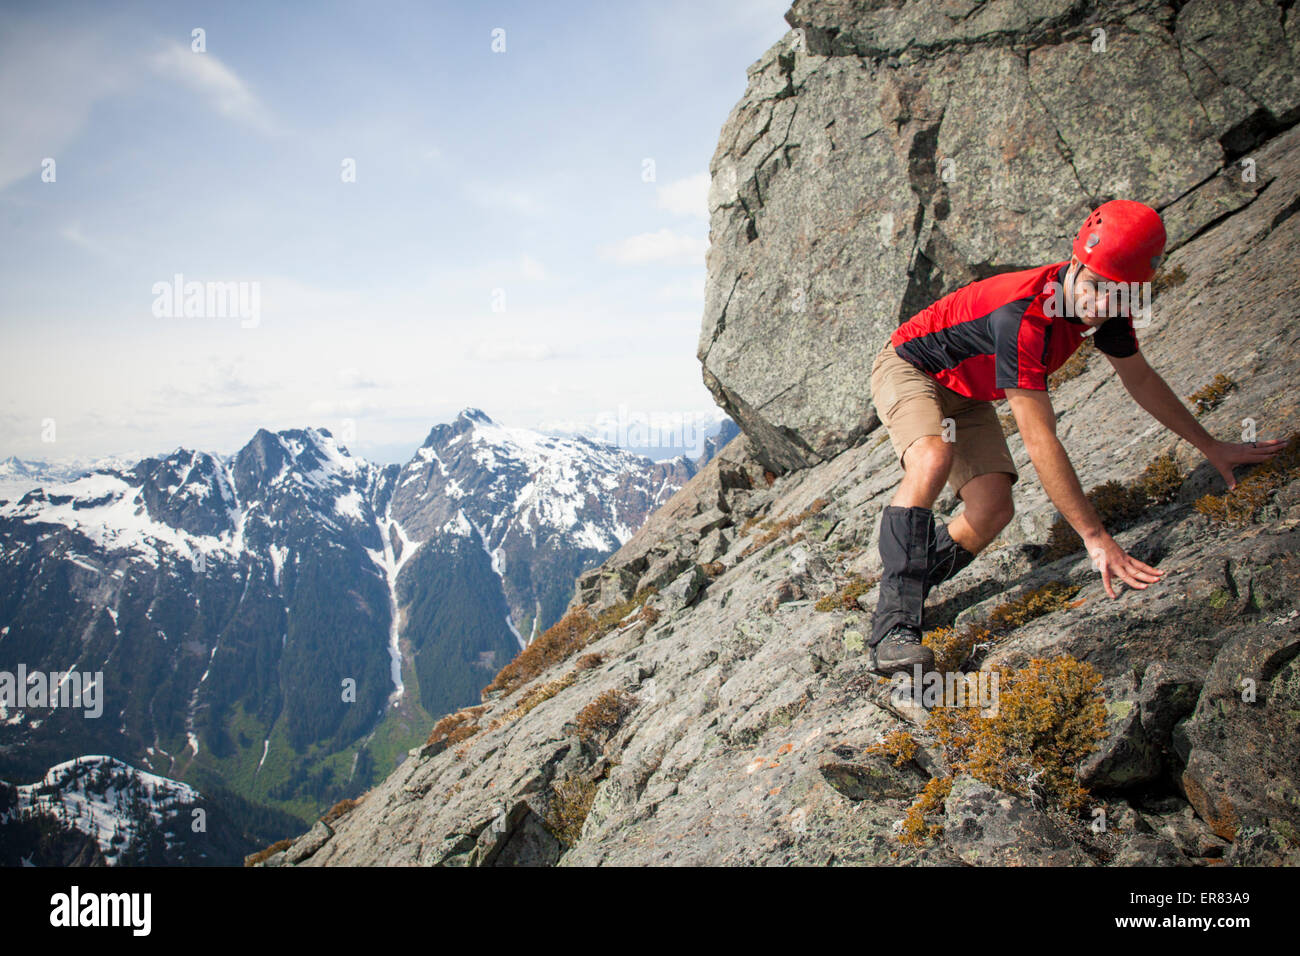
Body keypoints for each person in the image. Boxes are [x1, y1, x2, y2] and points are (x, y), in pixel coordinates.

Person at [866, 199, 1288, 676]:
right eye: (1097, 287)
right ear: (1075, 261)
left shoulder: (1109, 308)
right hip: (912, 366)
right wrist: (1094, 537)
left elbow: (1141, 380)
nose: (1103, 306)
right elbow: (1039, 437)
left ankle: (900, 588)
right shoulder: (1022, 316)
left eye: (1123, 294)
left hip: (967, 391)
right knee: (932, 457)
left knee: (993, 509)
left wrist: (1211, 446)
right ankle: (893, 630)